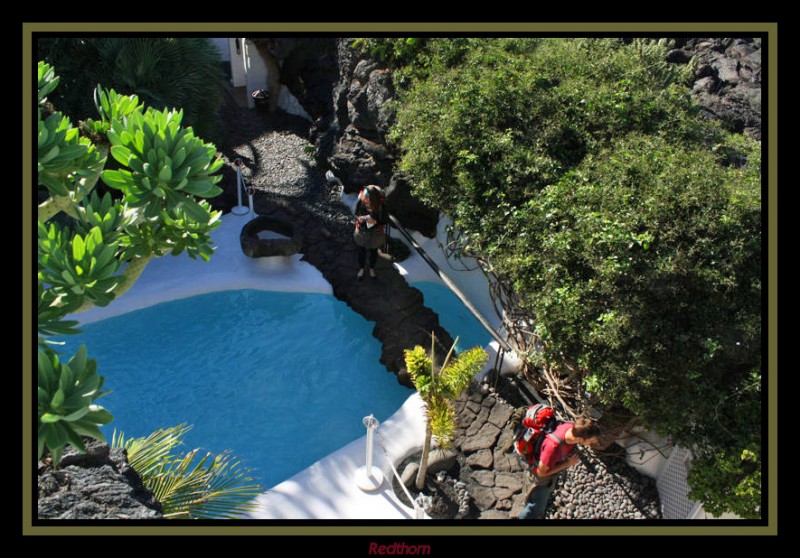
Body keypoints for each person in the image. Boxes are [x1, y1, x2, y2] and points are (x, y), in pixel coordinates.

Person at [517, 416, 600, 520]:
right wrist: (566, 464)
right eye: (591, 441)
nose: (593, 443)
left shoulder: (571, 425)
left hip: (549, 466)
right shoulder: (553, 448)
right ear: (580, 439)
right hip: (540, 478)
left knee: (535, 502)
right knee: (534, 508)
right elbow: (541, 473)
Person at [353, 185, 388, 280]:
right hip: (362, 231)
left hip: (376, 233)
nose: (366, 200)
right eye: (366, 197)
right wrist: (359, 219)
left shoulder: (381, 206)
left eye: (369, 199)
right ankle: (361, 269)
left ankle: (371, 269)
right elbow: (356, 213)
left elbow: (385, 220)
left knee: (374, 252)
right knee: (361, 251)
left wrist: (376, 222)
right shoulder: (361, 201)